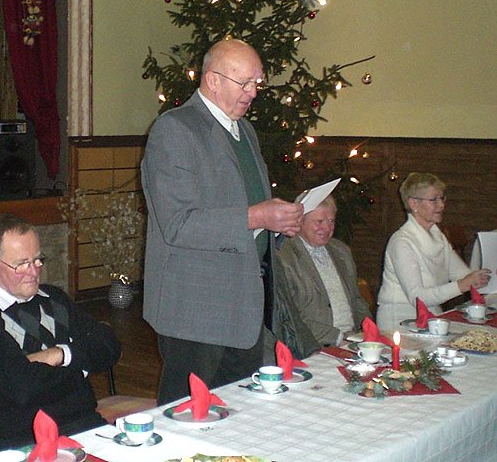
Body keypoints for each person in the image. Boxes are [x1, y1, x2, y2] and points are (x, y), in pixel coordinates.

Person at [141, 38, 304, 405]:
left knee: (239, 411)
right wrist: (258, 216)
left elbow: (247, 207)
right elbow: (178, 224)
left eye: (257, 83)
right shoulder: (175, 129)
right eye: (244, 83)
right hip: (196, 305)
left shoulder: (244, 130)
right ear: (213, 80)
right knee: (188, 412)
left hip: (243, 301)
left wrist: (277, 225)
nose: (253, 93)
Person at [0, 214, 121, 453]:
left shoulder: (54, 298)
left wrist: (60, 354)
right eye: (22, 264)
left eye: (37, 260)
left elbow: (110, 345)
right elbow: (21, 388)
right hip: (22, 443)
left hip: (85, 427)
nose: (33, 272)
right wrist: (82, 368)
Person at [376, 173, 491, 330]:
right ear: (413, 203)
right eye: (434, 200)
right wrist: (463, 285)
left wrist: (483, 278)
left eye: (442, 198)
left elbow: (463, 275)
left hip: (432, 314)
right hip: (400, 319)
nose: (441, 205)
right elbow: (418, 297)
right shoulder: (402, 242)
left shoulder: (438, 236)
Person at [276, 196, 371, 350]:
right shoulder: (284, 257)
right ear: (300, 221)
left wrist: (366, 329)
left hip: (352, 340)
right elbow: (291, 317)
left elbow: (356, 299)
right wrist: (338, 337)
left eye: (331, 221)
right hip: (312, 346)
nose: (327, 228)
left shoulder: (341, 251)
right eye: (319, 221)